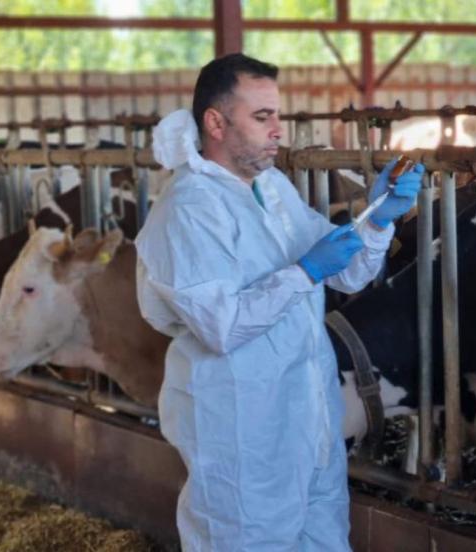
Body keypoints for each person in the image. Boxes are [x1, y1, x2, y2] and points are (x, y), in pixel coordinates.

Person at [134, 53, 424, 551]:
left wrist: (379, 217)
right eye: (262, 117)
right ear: (216, 123)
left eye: (278, 116)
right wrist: (305, 271)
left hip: (308, 418)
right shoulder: (188, 209)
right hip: (242, 431)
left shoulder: (270, 189)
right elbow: (222, 327)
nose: (278, 131)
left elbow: (349, 271)